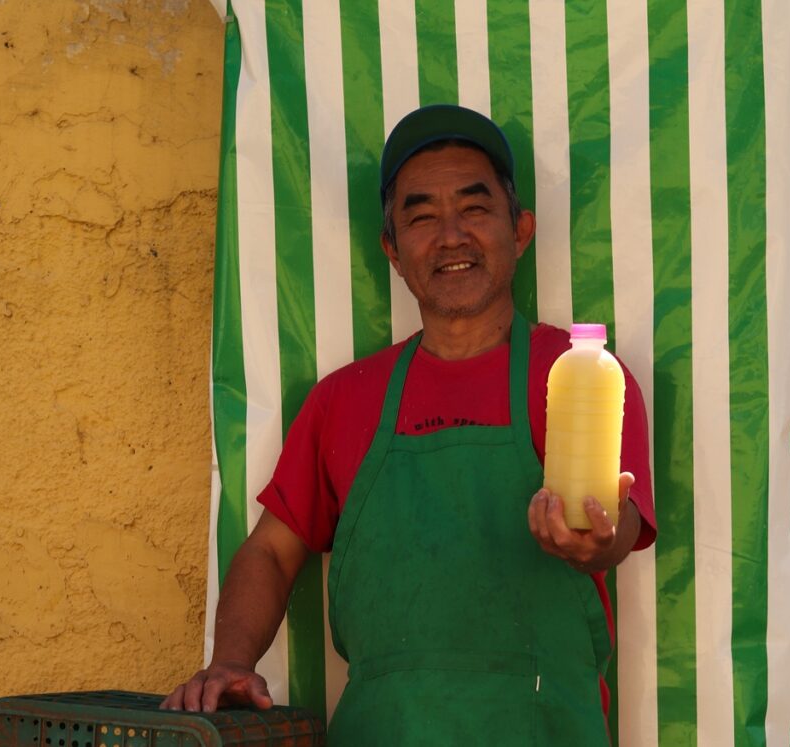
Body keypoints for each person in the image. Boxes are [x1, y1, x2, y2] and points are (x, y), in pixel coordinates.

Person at [162, 104, 657, 745]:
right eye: (421, 216)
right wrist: (230, 661)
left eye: (475, 208)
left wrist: (596, 541)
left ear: (522, 229)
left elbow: (622, 528)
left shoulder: (581, 377)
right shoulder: (344, 400)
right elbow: (271, 550)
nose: (451, 235)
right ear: (392, 251)